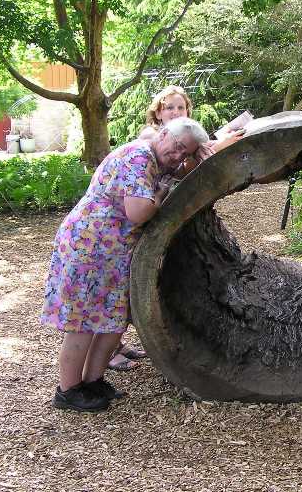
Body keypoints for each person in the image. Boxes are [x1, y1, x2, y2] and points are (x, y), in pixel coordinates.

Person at [41, 117, 210, 412]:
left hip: (112, 252)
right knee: (83, 323)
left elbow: (183, 174)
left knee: (112, 322)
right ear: (163, 133)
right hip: (89, 248)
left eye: (186, 153)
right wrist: (158, 196)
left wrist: (195, 159)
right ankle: (68, 390)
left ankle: (92, 381)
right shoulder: (139, 157)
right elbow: (138, 212)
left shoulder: (158, 161)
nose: (178, 155)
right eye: (177, 147)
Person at [107, 85, 247, 371]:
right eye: (168, 107)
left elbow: (183, 169)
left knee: (126, 286)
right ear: (158, 113)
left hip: (149, 216)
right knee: (121, 285)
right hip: (133, 218)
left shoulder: (182, 140)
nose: (174, 111)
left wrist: (203, 150)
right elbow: (175, 170)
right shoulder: (150, 137)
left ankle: (115, 344)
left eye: (180, 108)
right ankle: (110, 349)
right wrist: (218, 147)